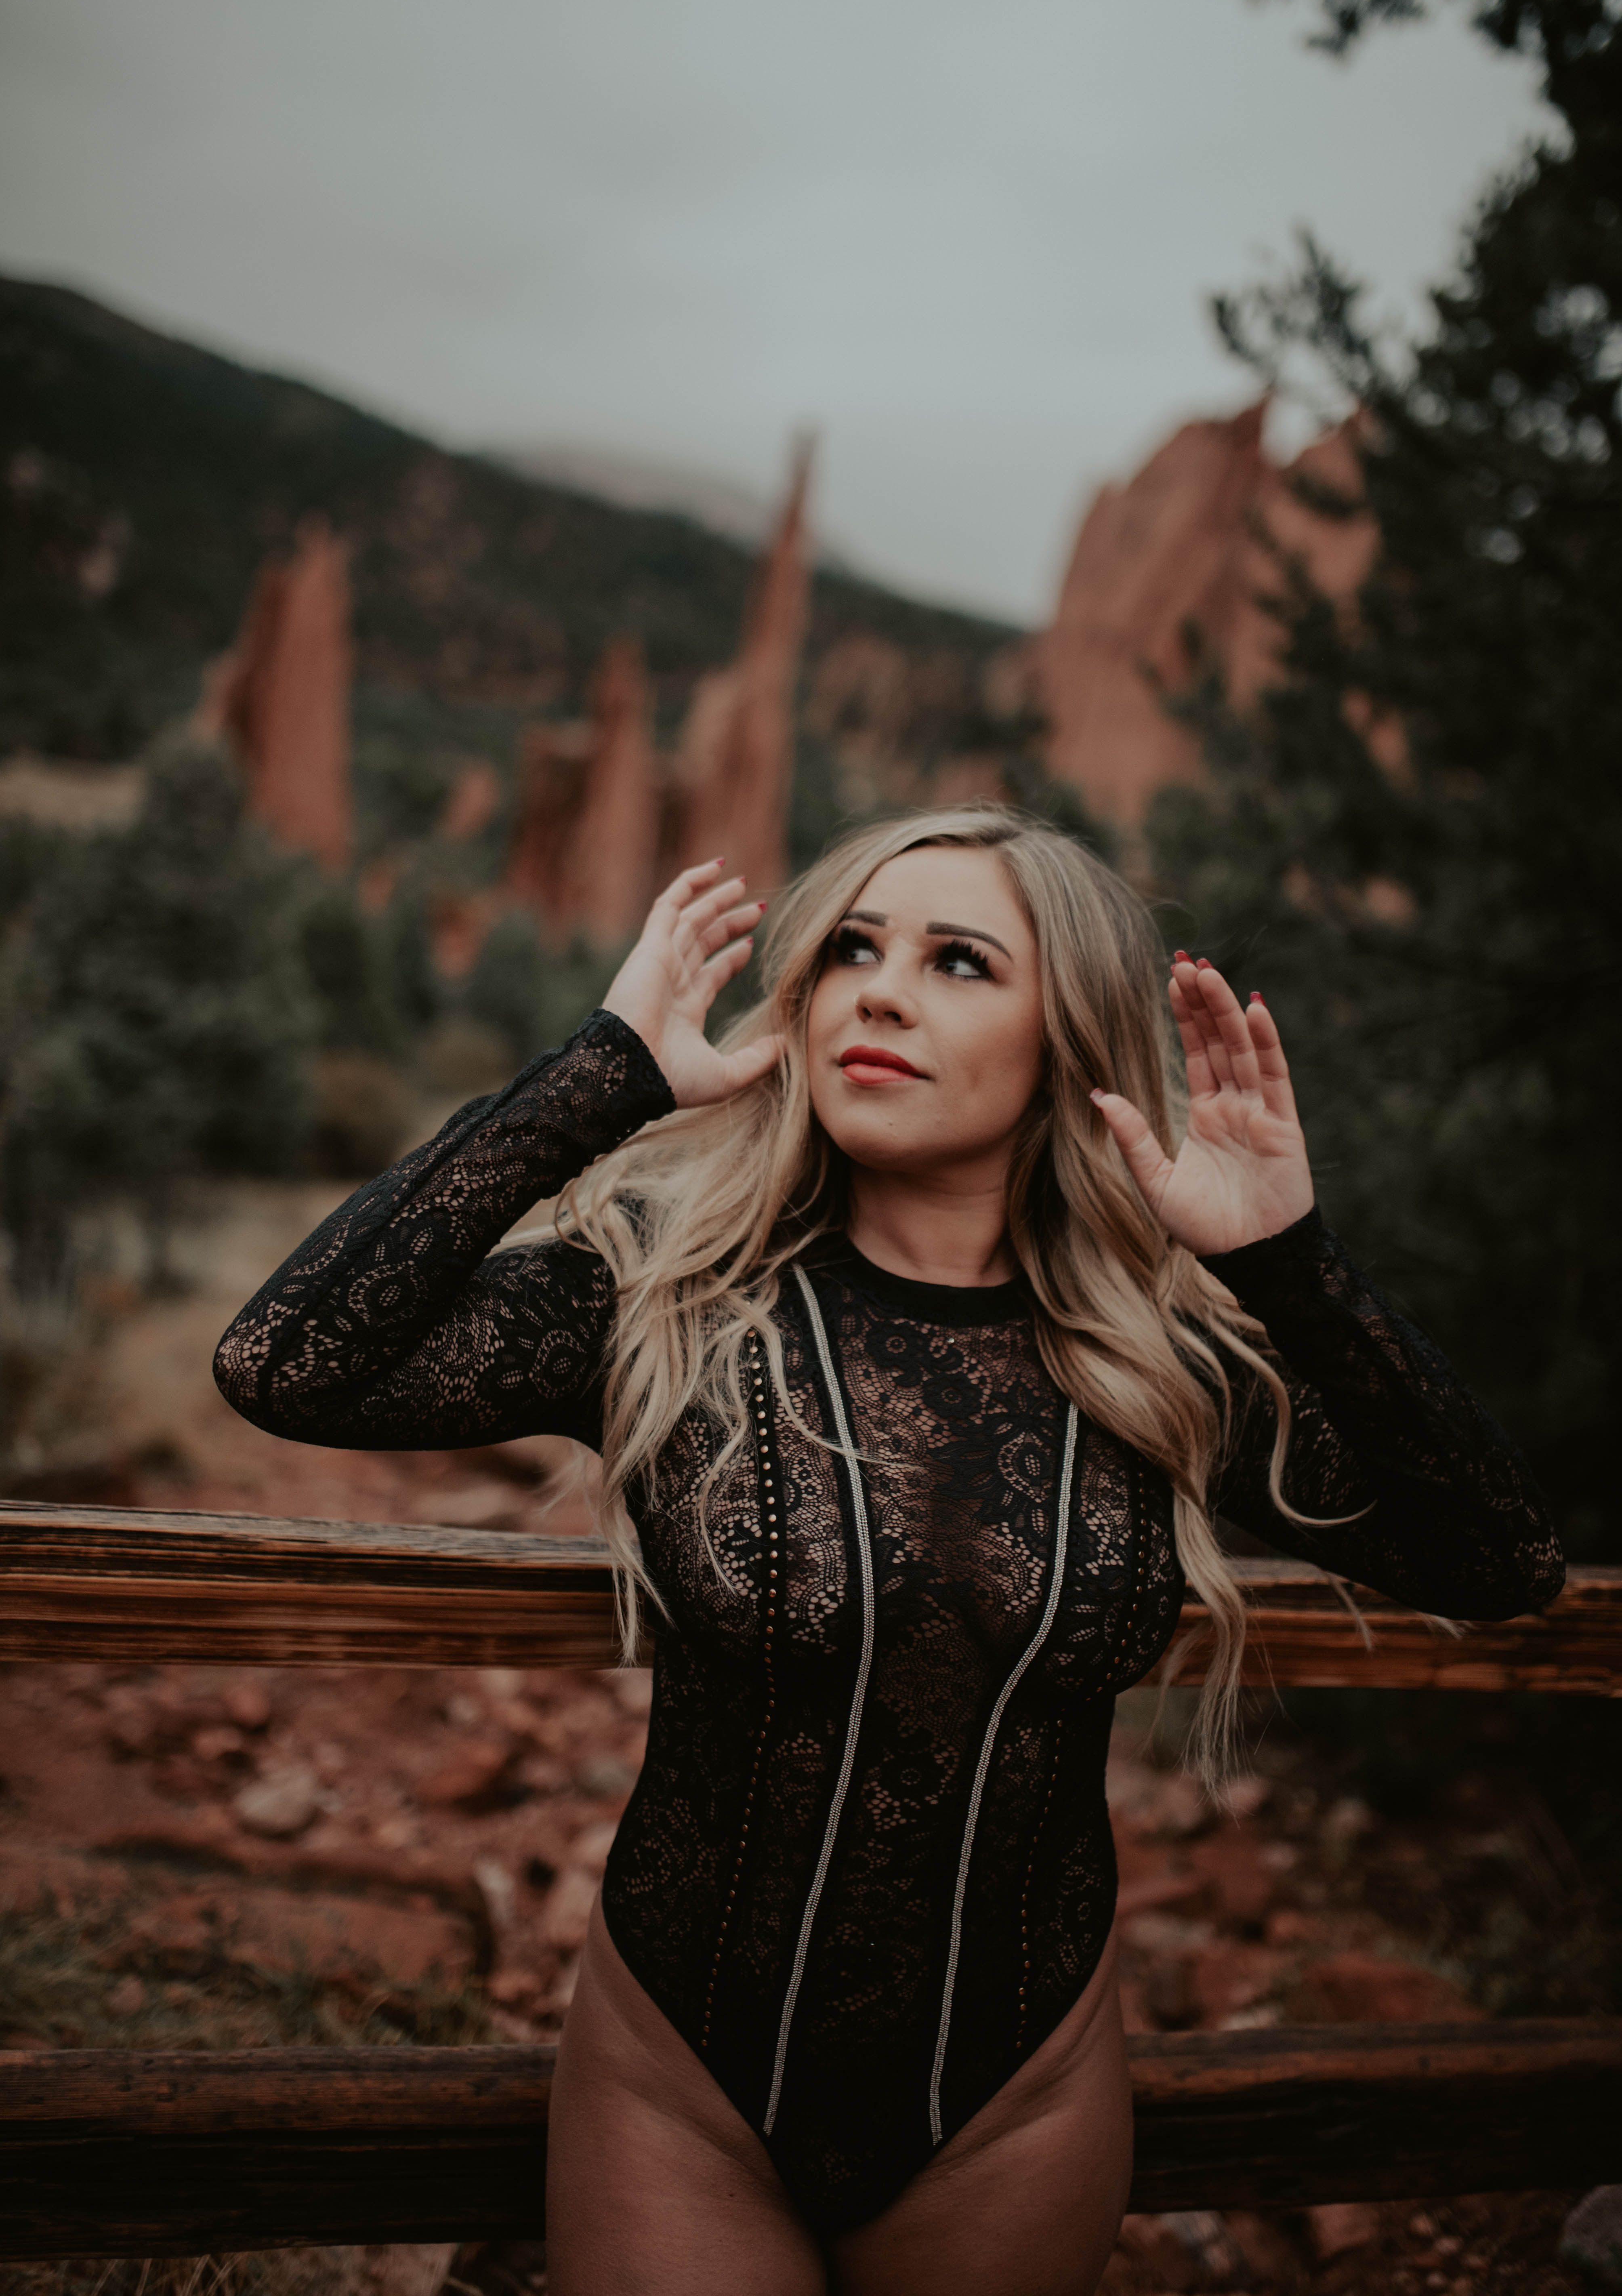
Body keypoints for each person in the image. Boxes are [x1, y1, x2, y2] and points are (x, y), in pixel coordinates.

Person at [214, 805, 1561, 2296]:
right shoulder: (670, 1304)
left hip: (1015, 2108)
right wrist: (599, 1079)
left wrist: (1286, 1263)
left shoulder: (1161, 1368)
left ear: (1069, 1042)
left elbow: (1496, 1560)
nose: (880, 987)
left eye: (960, 960)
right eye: (853, 944)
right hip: (684, 2088)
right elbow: (286, 1361)